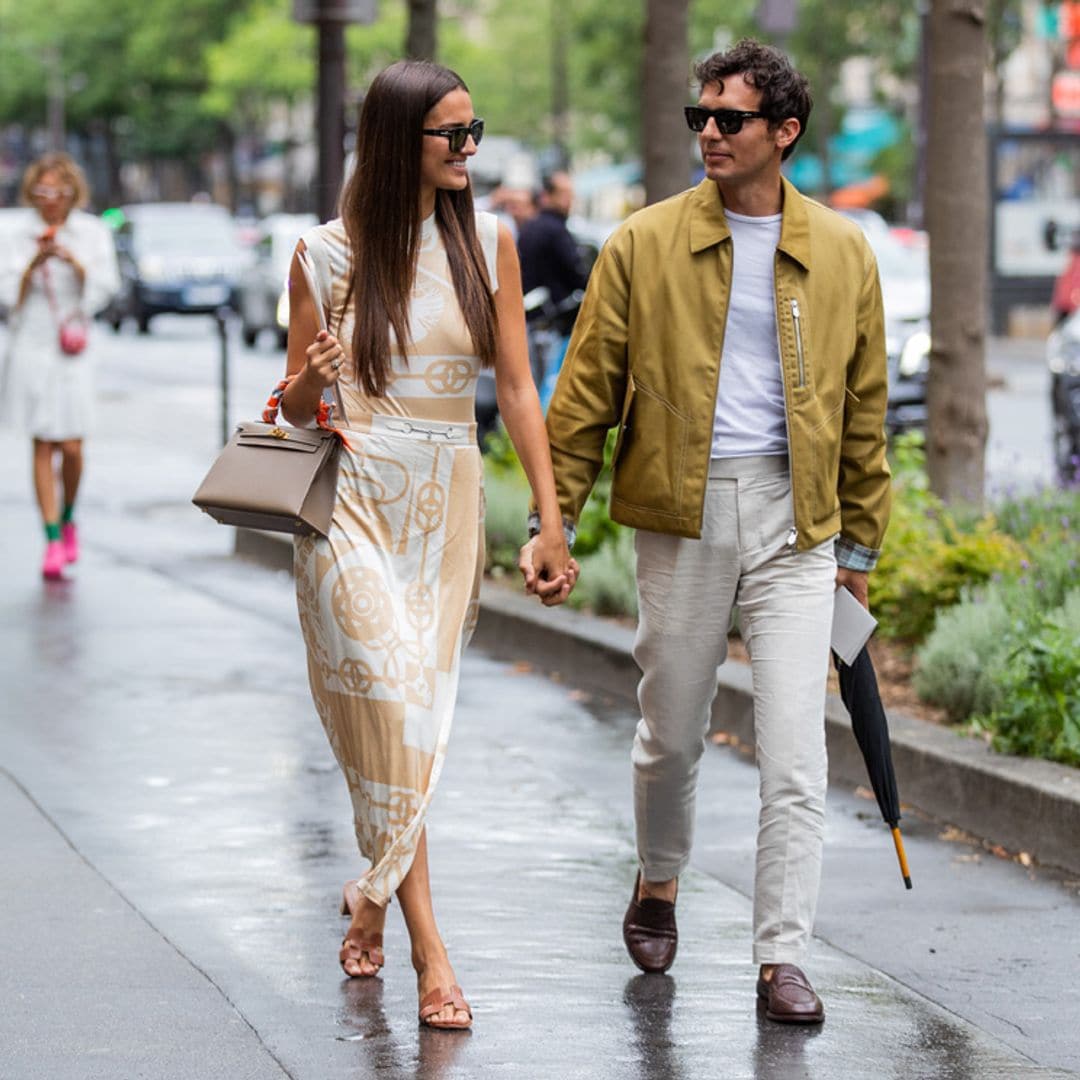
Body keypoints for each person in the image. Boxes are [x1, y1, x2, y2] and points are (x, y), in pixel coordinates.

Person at [520, 39, 891, 1024]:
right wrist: (548, 525)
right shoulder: (644, 243)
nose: (711, 135)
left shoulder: (845, 251)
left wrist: (857, 552)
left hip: (797, 517)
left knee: (794, 751)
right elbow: (584, 396)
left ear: (785, 132)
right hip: (682, 510)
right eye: (701, 118)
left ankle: (781, 957)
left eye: (730, 120)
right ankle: (658, 875)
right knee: (670, 730)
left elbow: (865, 407)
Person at [281, 59, 574, 1031]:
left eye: (472, 128)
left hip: (443, 505)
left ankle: (371, 893)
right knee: (401, 712)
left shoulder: (490, 244)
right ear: (397, 140)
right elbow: (292, 407)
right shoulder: (323, 256)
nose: (469, 147)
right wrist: (310, 382)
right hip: (351, 505)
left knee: (414, 720)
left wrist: (550, 515)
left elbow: (521, 391)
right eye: (450, 132)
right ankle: (430, 953)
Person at [0, 153, 120, 580]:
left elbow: (106, 289)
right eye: (43, 191)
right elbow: (5, 294)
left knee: (71, 445)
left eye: (59, 191)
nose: (50, 200)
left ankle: (68, 516)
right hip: (31, 342)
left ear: (73, 193)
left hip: (73, 343)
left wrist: (73, 262)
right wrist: (34, 263)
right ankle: (51, 537)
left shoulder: (91, 232)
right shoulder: (16, 234)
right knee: (42, 442)